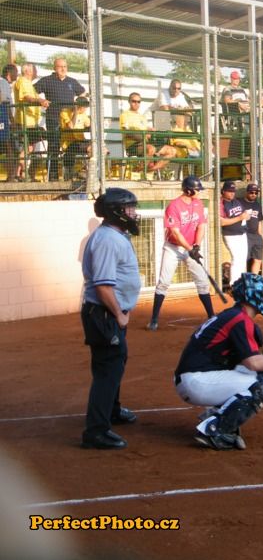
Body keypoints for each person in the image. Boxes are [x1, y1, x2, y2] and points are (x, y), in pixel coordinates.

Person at [174, 273, 263, 450]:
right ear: (251, 296)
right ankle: (214, 429)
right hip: (196, 381)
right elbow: (253, 362)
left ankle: (217, 415)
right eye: (262, 294)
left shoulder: (233, 315)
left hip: (194, 377)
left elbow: (242, 362)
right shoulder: (240, 320)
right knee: (260, 385)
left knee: (255, 374)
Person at [80, 188, 141, 449]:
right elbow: (104, 287)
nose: (133, 213)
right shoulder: (107, 240)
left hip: (110, 314)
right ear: (117, 211)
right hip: (105, 314)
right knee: (108, 370)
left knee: (115, 362)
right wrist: (119, 314)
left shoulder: (115, 235)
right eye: (129, 208)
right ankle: (96, 431)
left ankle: (112, 411)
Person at [148, 175, 215, 331]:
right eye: (197, 190)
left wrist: (197, 246)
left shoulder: (198, 204)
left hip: (191, 247)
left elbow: (201, 226)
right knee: (164, 282)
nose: (200, 192)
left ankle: (212, 316)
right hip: (173, 247)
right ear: (189, 190)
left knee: (202, 282)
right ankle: (154, 319)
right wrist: (191, 249)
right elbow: (176, 234)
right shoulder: (174, 206)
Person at [34, 58, 85, 181]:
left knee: (71, 145)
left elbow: (83, 94)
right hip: (54, 118)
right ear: (54, 68)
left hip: (69, 120)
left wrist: (78, 105)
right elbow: (32, 91)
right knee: (54, 146)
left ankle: (69, 175)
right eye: (60, 66)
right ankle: (53, 177)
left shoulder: (72, 82)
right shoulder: (47, 80)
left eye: (65, 67)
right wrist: (41, 100)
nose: (63, 69)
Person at [13, 63, 47, 181]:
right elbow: (26, 97)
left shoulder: (29, 84)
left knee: (30, 148)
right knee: (26, 148)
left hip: (31, 121)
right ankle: (22, 174)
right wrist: (39, 100)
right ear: (28, 71)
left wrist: (40, 102)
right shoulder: (22, 81)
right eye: (35, 69)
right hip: (24, 121)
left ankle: (19, 174)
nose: (36, 71)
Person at [220, 179, 252, 285]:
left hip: (242, 233)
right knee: (237, 257)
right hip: (230, 235)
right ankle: (234, 284)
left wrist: (246, 216)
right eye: (229, 191)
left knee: (243, 258)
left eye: (233, 191)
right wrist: (240, 218)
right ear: (223, 191)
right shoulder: (221, 203)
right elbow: (222, 222)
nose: (232, 193)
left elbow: (242, 214)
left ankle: (242, 282)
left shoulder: (236, 201)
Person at [59, 95, 92, 178]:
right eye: (84, 107)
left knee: (98, 147)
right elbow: (71, 126)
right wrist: (76, 112)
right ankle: (81, 170)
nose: (85, 109)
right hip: (69, 143)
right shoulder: (65, 112)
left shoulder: (83, 115)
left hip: (80, 141)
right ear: (78, 106)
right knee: (91, 148)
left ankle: (84, 169)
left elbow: (89, 124)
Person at [241, 183, 263, 273]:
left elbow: (259, 221)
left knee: (258, 260)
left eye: (256, 193)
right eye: (251, 192)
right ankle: (245, 281)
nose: (254, 194)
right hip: (245, 234)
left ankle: (254, 281)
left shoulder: (257, 205)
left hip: (256, 236)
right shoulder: (240, 203)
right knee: (244, 260)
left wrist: (260, 236)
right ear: (247, 192)